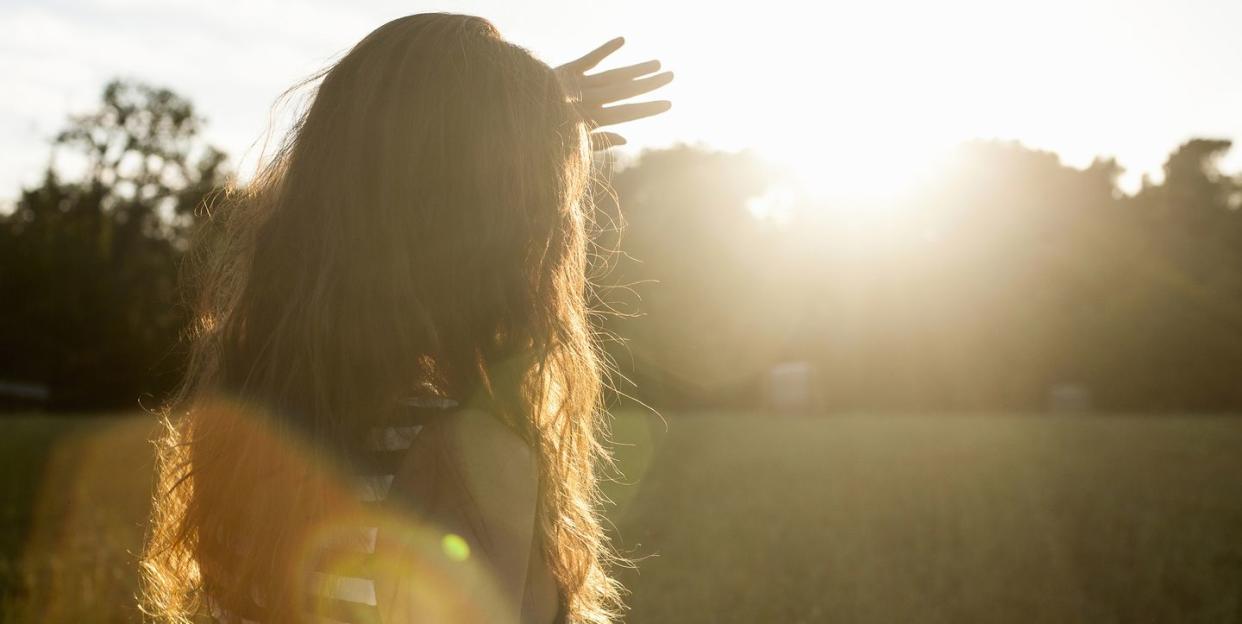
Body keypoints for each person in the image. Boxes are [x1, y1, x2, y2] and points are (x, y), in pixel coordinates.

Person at [140, 13, 672, 624]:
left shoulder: (256, 415)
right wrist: (507, 118)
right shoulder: (468, 460)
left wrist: (489, 113)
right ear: (504, 228)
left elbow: (378, 171)